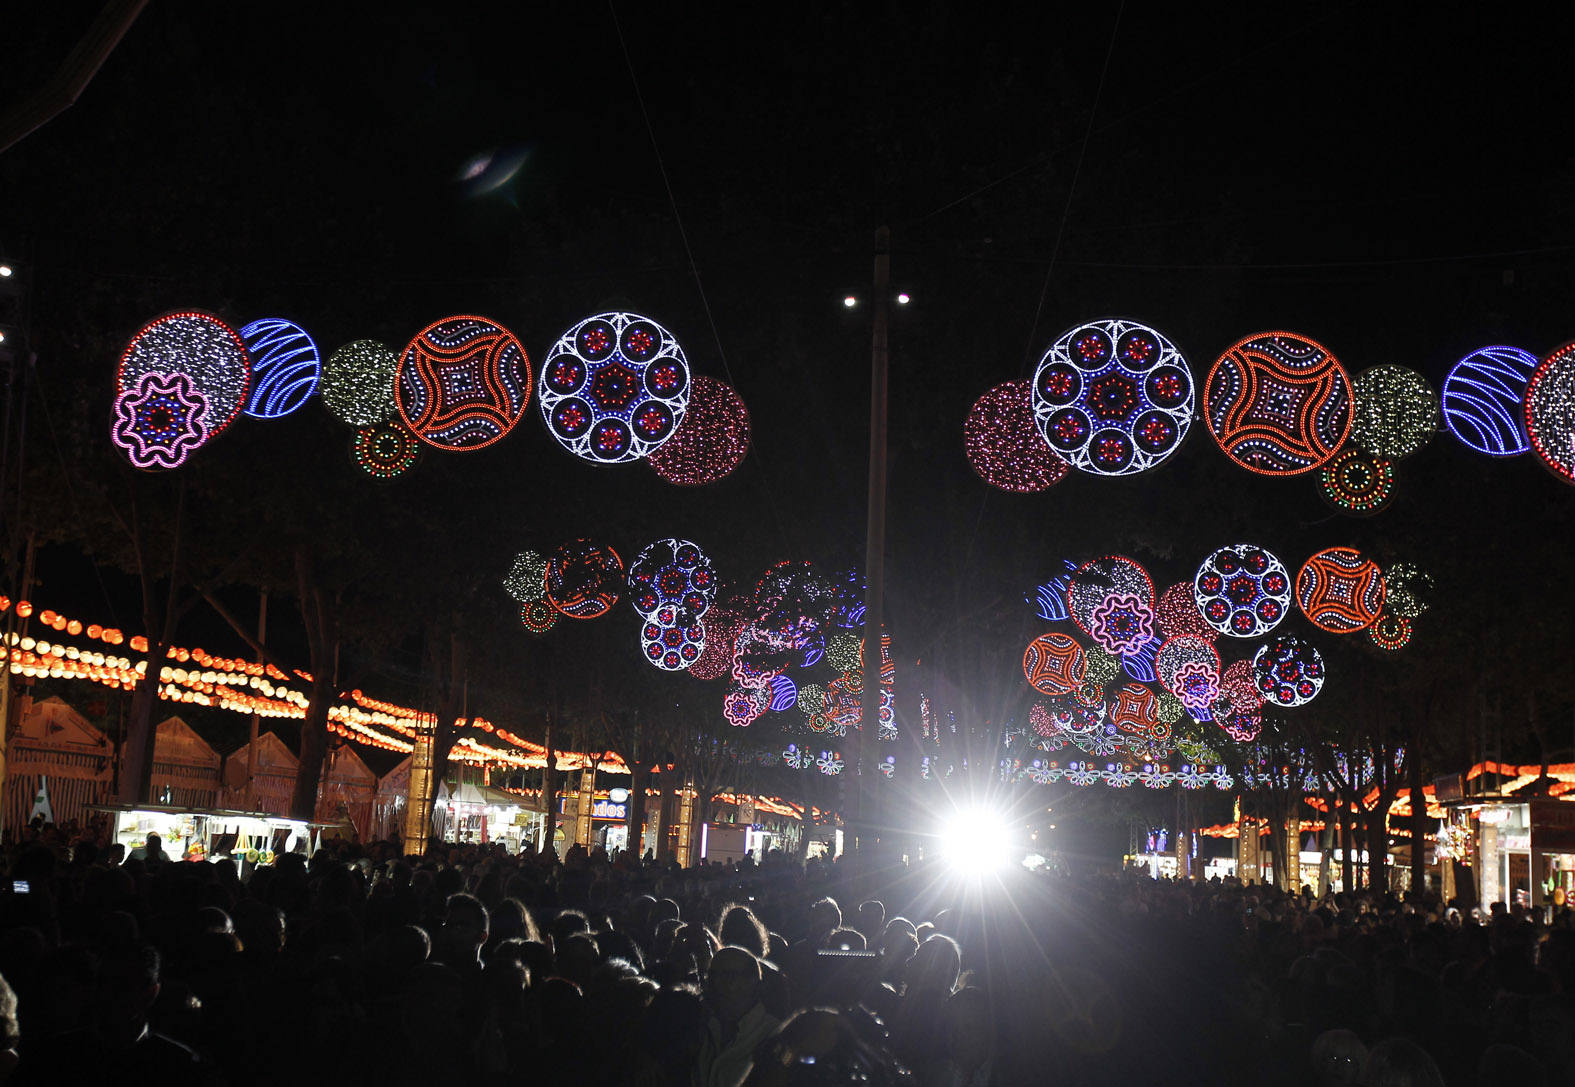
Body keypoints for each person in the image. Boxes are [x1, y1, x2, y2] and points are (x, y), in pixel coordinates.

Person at [698, 947, 782, 1087]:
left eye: (728, 975)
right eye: (712, 975)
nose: (717, 983)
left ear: (753, 981)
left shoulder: (772, 1033)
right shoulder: (700, 1025)